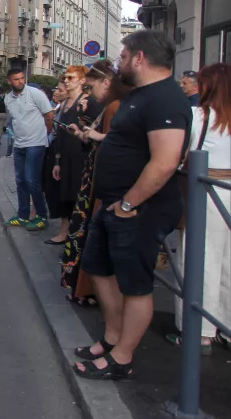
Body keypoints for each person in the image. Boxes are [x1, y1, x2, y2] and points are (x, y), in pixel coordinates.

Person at [73, 30, 190, 381]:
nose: (119, 62)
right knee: (98, 268)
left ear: (139, 58)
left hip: (138, 209)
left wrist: (128, 204)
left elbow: (166, 161)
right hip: (113, 205)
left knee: (135, 285)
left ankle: (122, 357)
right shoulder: (140, 96)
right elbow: (125, 141)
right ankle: (112, 338)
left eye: (123, 56)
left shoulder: (166, 99)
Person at [169, 63, 231, 354]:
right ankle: (226, 328)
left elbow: (181, 153)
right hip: (228, 193)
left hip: (206, 194)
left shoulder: (199, 116)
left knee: (200, 258)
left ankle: (200, 331)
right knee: (229, 263)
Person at [60, 60, 131, 307]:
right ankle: (83, 288)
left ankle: (87, 291)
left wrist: (94, 135)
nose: (91, 93)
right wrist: (83, 134)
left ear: (107, 83)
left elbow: (118, 142)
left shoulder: (112, 107)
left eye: (92, 86)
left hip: (100, 181)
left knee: (90, 235)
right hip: (93, 176)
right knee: (84, 232)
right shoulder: (110, 106)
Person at [2, 68, 53, 231]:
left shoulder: (35, 93)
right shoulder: (8, 98)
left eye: (22, 78)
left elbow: (49, 116)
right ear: (10, 81)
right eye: (16, 79)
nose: (20, 82)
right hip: (19, 145)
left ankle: (42, 216)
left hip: (36, 144)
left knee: (32, 180)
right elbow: (14, 119)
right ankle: (23, 215)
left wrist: (45, 134)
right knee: (20, 181)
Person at [48, 66, 89, 245]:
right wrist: (57, 161)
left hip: (80, 157)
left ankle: (77, 236)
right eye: (65, 77)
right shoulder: (63, 105)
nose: (65, 80)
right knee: (63, 195)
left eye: (71, 78)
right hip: (63, 157)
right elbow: (59, 135)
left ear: (82, 81)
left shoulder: (87, 103)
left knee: (77, 196)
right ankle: (65, 232)